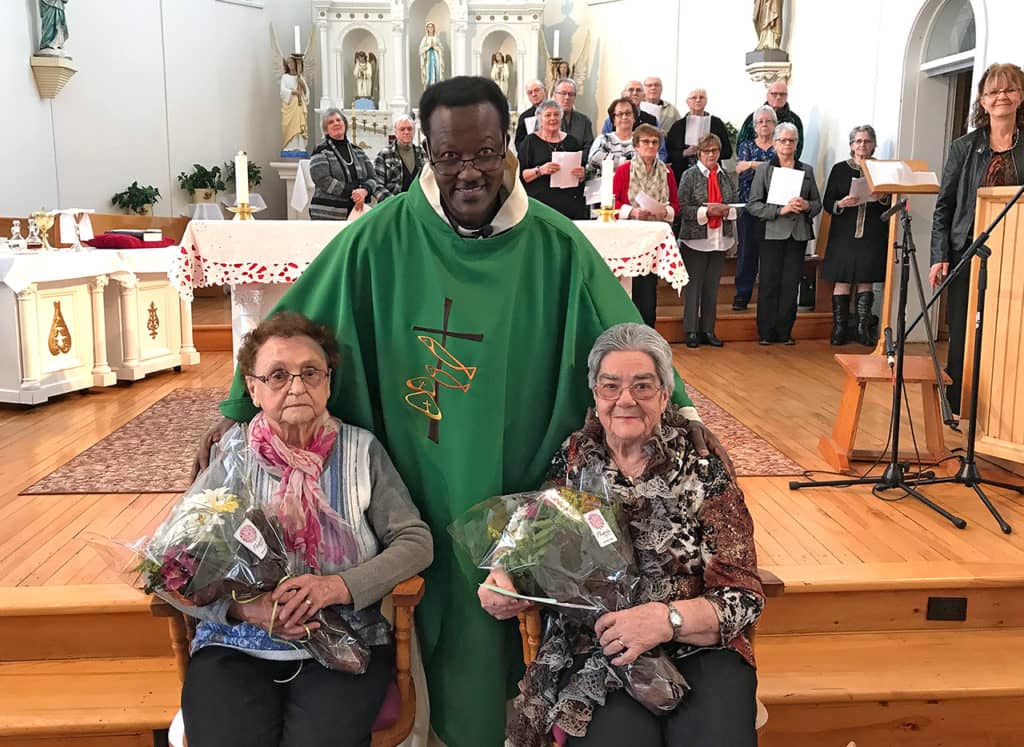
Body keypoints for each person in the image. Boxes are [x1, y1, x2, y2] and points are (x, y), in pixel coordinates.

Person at [196, 77, 732, 747]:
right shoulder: (378, 239)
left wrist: (682, 415)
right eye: (448, 157)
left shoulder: (554, 246)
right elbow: (299, 323)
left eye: (483, 152)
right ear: (426, 150)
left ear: (508, 143)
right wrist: (237, 408)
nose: (467, 171)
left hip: (515, 482)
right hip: (406, 473)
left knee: (499, 612)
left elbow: (625, 338)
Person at [482, 322, 764, 747]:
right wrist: (502, 572)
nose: (625, 400)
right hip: (600, 649)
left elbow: (744, 594)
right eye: (610, 386)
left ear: (666, 394)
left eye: (643, 386)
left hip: (700, 647)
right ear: (595, 395)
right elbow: (531, 532)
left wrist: (666, 620)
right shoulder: (577, 457)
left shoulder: (702, 467)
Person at [181, 311, 433, 747]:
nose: (296, 387)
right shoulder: (231, 457)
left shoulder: (361, 451)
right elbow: (178, 565)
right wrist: (247, 609)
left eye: (311, 373)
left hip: (344, 646)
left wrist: (337, 586)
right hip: (236, 645)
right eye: (278, 375)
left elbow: (416, 541)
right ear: (253, 388)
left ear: (329, 383)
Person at [930, 62, 1024, 414]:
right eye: (993, 92)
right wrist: (939, 254)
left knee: (1010, 330)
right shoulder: (964, 148)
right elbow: (945, 206)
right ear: (983, 102)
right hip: (968, 249)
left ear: (1020, 96)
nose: (1001, 97)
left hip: (1017, 253)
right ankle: (959, 406)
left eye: (1009, 89)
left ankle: (1004, 408)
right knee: (966, 329)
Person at [746, 121, 821, 345]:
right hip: (772, 233)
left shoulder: (806, 170)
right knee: (769, 283)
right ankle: (766, 332)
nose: (787, 144)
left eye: (791, 140)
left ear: (797, 144)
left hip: (798, 234)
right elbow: (753, 205)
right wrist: (780, 210)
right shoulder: (764, 170)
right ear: (775, 143)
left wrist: (806, 205)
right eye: (783, 140)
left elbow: (817, 203)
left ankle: (785, 331)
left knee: (791, 284)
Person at [822, 125, 892, 346]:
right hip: (844, 231)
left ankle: (863, 328)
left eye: (867, 141)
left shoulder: (881, 169)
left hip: (871, 232)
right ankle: (840, 327)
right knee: (842, 279)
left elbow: (890, 203)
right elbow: (827, 202)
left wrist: (882, 197)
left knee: (865, 279)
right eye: (858, 141)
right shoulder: (839, 169)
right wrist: (841, 203)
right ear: (851, 145)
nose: (862, 145)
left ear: (874, 144)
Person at [612, 124, 679, 327]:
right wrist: (632, 211)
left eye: (654, 142)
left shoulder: (667, 172)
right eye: (646, 141)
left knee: (649, 291)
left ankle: (648, 332)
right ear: (636, 145)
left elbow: (675, 204)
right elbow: (612, 202)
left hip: (653, 236)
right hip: (629, 235)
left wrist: (665, 211)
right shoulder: (624, 171)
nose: (650, 146)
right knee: (630, 288)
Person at [677, 133, 739, 348]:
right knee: (694, 286)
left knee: (712, 287)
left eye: (715, 151)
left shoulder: (726, 176)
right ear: (699, 153)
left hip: (719, 238)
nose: (711, 155)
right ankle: (691, 330)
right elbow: (682, 208)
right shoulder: (690, 175)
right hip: (696, 239)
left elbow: (735, 203)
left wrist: (726, 210)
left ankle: (708, 329)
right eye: (706, 151)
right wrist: (706, 210)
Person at [732, 105, 777, 311]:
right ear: (755, 126)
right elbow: (741, 170)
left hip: (775, 207)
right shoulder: (746, 145)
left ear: (775, 125)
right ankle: (742, 294)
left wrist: (752, 164)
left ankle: (768, 298)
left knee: (770, 254)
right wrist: (760, 166)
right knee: (746, 251)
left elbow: (780, 171)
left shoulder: (779, 147)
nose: (764, 125)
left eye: (768, 121)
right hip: (749, 206)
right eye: (760, 122)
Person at [519, 99, 588, 219]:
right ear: (540, 119)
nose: (553, 118)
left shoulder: (572, 142)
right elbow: (522, 175)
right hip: (540, 206)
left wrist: (582, 174)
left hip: (569, 205)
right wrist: (540, 170)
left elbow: (582, 173)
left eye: (556, 114)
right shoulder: (530, 142)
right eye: (548, 115)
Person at [309, 109, 379, 221]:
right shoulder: (320, 150)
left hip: (357, 213)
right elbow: (322, 179)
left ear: (345, 124)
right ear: (326, 129)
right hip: (328, 213)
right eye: (331, 122)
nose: (336, 123)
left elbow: (373, 177)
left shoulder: (358, 151)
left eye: (338, 120)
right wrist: (354, 193)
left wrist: (365, 190)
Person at [666, 88, 734, 181]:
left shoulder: (716, 123)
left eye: (701, 97)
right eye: (694, 98)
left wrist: (709, 152)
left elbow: (728, 152)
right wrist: (685, 152)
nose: (698, 100)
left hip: (711, 175)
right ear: (687, 102)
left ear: (706, 101)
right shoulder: (678, 126)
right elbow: (668, 154)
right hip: (683, 175)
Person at [737, 80, 804, 160]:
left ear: (787, 96)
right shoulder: (753, 117)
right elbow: (740, 146)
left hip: (784, 169)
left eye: (782, 94)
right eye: (774, 94)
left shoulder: (794, 120)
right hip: (752, 170)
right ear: (767, 95)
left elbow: (798, 149)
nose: (778, 97)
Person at [600, 81, 666, 162]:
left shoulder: (652, 121)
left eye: (638, 90)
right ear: (624, 94)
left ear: (643, 96)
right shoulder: (611, 120)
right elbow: (602, 145)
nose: (635, 93)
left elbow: (661, 152)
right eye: (631, 90)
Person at [373, 115, 425, 202]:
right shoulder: (384, 154)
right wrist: (395, 202)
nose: (406, 132)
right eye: (402, 129)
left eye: (409, 129)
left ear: (414, 131)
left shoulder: (422, 153)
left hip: (418, 204)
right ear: (396, 132)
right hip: (393, 205)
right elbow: (377, 186)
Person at [587, 98, 637, 179]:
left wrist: (611, 161)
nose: (624, 117)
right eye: (620, 114)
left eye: (628, 113)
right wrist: (624, 162)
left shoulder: (642, 140)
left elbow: (650, 164)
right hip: (605, 187)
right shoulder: (604, 139)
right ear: (614, 119)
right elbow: (594, 158)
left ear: (634, 117)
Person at [553, 77, 595, 159]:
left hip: (577, 166)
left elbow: (589, 147)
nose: (567, 98)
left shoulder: (584, 121)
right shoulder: (546, 120)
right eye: (563, 93)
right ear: (555, 95)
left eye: (571, 94)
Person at [280, 55, 309, 155]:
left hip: (299, 105)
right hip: (289, 105)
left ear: (296, 64)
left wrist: (302, 84)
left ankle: (300, 146)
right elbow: (282, 91)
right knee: (287, 124)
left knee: (299, 125)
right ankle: (289, 146)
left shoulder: (300, 77)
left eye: (292, 62)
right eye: (288, 63)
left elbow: (306, 93)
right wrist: (293, 92)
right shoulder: (285, 77)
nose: (290, 64)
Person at [514, 78, 548, 151]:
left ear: (544, 91)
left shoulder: (555, 111)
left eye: (536, 90)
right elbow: (518, 143)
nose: (534, 94)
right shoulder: (524, 117)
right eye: (530, 92)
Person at [419, 22, 445, 87]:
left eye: (432, 27)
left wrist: (436, 47)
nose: (430, 28)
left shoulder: (436, 38)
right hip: (428, 58)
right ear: (427, 29)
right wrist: (428, 47)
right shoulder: (425, 39)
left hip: (436, 58)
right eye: (429, 27)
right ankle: (429, 87)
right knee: (429, 73)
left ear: (434, 28)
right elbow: (420, 50)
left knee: (436, 72)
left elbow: (442, 48)